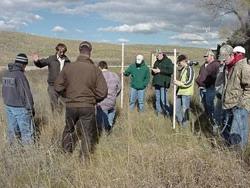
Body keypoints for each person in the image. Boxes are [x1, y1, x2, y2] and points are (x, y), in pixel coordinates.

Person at [54, 41, 108, 159]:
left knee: (68, 129)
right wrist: (93, 100)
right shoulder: (95, 70)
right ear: (90, 52)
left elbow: (57, 86)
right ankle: (84, 159)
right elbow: (103, 92)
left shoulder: (69, 67)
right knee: (86, 133)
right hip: (88, 106)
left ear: (79, 51)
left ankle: (65, 155)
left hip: (71, 105)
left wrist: (67, 95)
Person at [2, 53, 34, 145]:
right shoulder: (20, 76)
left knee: (12, 130)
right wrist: (30, 108)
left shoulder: (7, 73)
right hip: (20, 108)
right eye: (25, 65)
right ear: (23, 64)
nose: (25, 68)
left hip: (8, 106)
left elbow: (3, 90)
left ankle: (12, 149)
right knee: (26, 132)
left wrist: (6, 101)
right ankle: (29, 154)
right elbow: (26, 94)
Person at [222, 46, 250, 149]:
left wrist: (242, 103)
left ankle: (238, 154)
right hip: (231, 104)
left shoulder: (244, 66)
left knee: (237, 131)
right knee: (233, 130)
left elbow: (249, 87)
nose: (232, 55)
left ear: (239, 54)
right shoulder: (233, 66)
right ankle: (235, 151)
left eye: (234, 53)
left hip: (240, 105)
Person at [32, 43, 71, 113]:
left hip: (63, 87)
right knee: (54, 104)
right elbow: (41, 64)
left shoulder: (67, 61)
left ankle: (62, 118)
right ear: (56, 50)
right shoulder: (51, 59)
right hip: (52, 86)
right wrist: (36, 61)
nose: (62, 53)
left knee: (65, 104)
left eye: (64, 52)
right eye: (60, 51)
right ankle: (55, 119)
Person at [196, 49, 220, 128]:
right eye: (205, 56)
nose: (205, 58)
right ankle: (207, 122)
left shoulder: (216, 64)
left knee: (211, 106)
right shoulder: (203, 65)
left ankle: (214, 124)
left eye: (207, 56)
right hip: (202, 88)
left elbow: (217, 77)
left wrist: (210, 83)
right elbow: (200, 75)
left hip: (211, 88)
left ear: (212, 56)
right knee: (205, 105)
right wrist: (198, 82)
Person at [97, 61, 121, 132]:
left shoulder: (98, 76)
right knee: (109, 123)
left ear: (99, 67)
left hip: (102, 103)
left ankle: (104, 133)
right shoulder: (115, 75)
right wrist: (114, 95)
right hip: (112, 102)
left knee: (102, 125)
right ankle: (108, 131)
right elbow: (119, 88)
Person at [214, 45, 233, 128]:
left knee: (226, 116)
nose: (222, 61)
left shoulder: (233, 67)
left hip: (227, 96)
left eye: (224, 58)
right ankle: (217, 130)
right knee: (217, 114)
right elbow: (218, 81)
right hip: (219, 94)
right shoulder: (222, 67)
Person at [174, 55, 195, 127]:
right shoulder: (183, 69)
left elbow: (189, 82)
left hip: (186, 93)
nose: (179, 64)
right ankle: (180, 124)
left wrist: (179, 83)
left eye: (179, 62)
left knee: (185, 110)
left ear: (183, 61)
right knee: (176, 110)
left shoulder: (190, 69)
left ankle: (185, 126)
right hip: (179, 92)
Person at [152, 50, 173, 116]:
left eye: (157, 55)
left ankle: (168, 113)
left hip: (164, 83)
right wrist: (153, 71)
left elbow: (170, 71)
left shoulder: (168, 61)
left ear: (161, 54)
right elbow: (153, 71)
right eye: (156, 56)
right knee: (157, 99)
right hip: (157, 83)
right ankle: (159, 113)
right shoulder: (156, 62)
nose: (157, 57)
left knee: (163, 99)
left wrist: (160, 71)